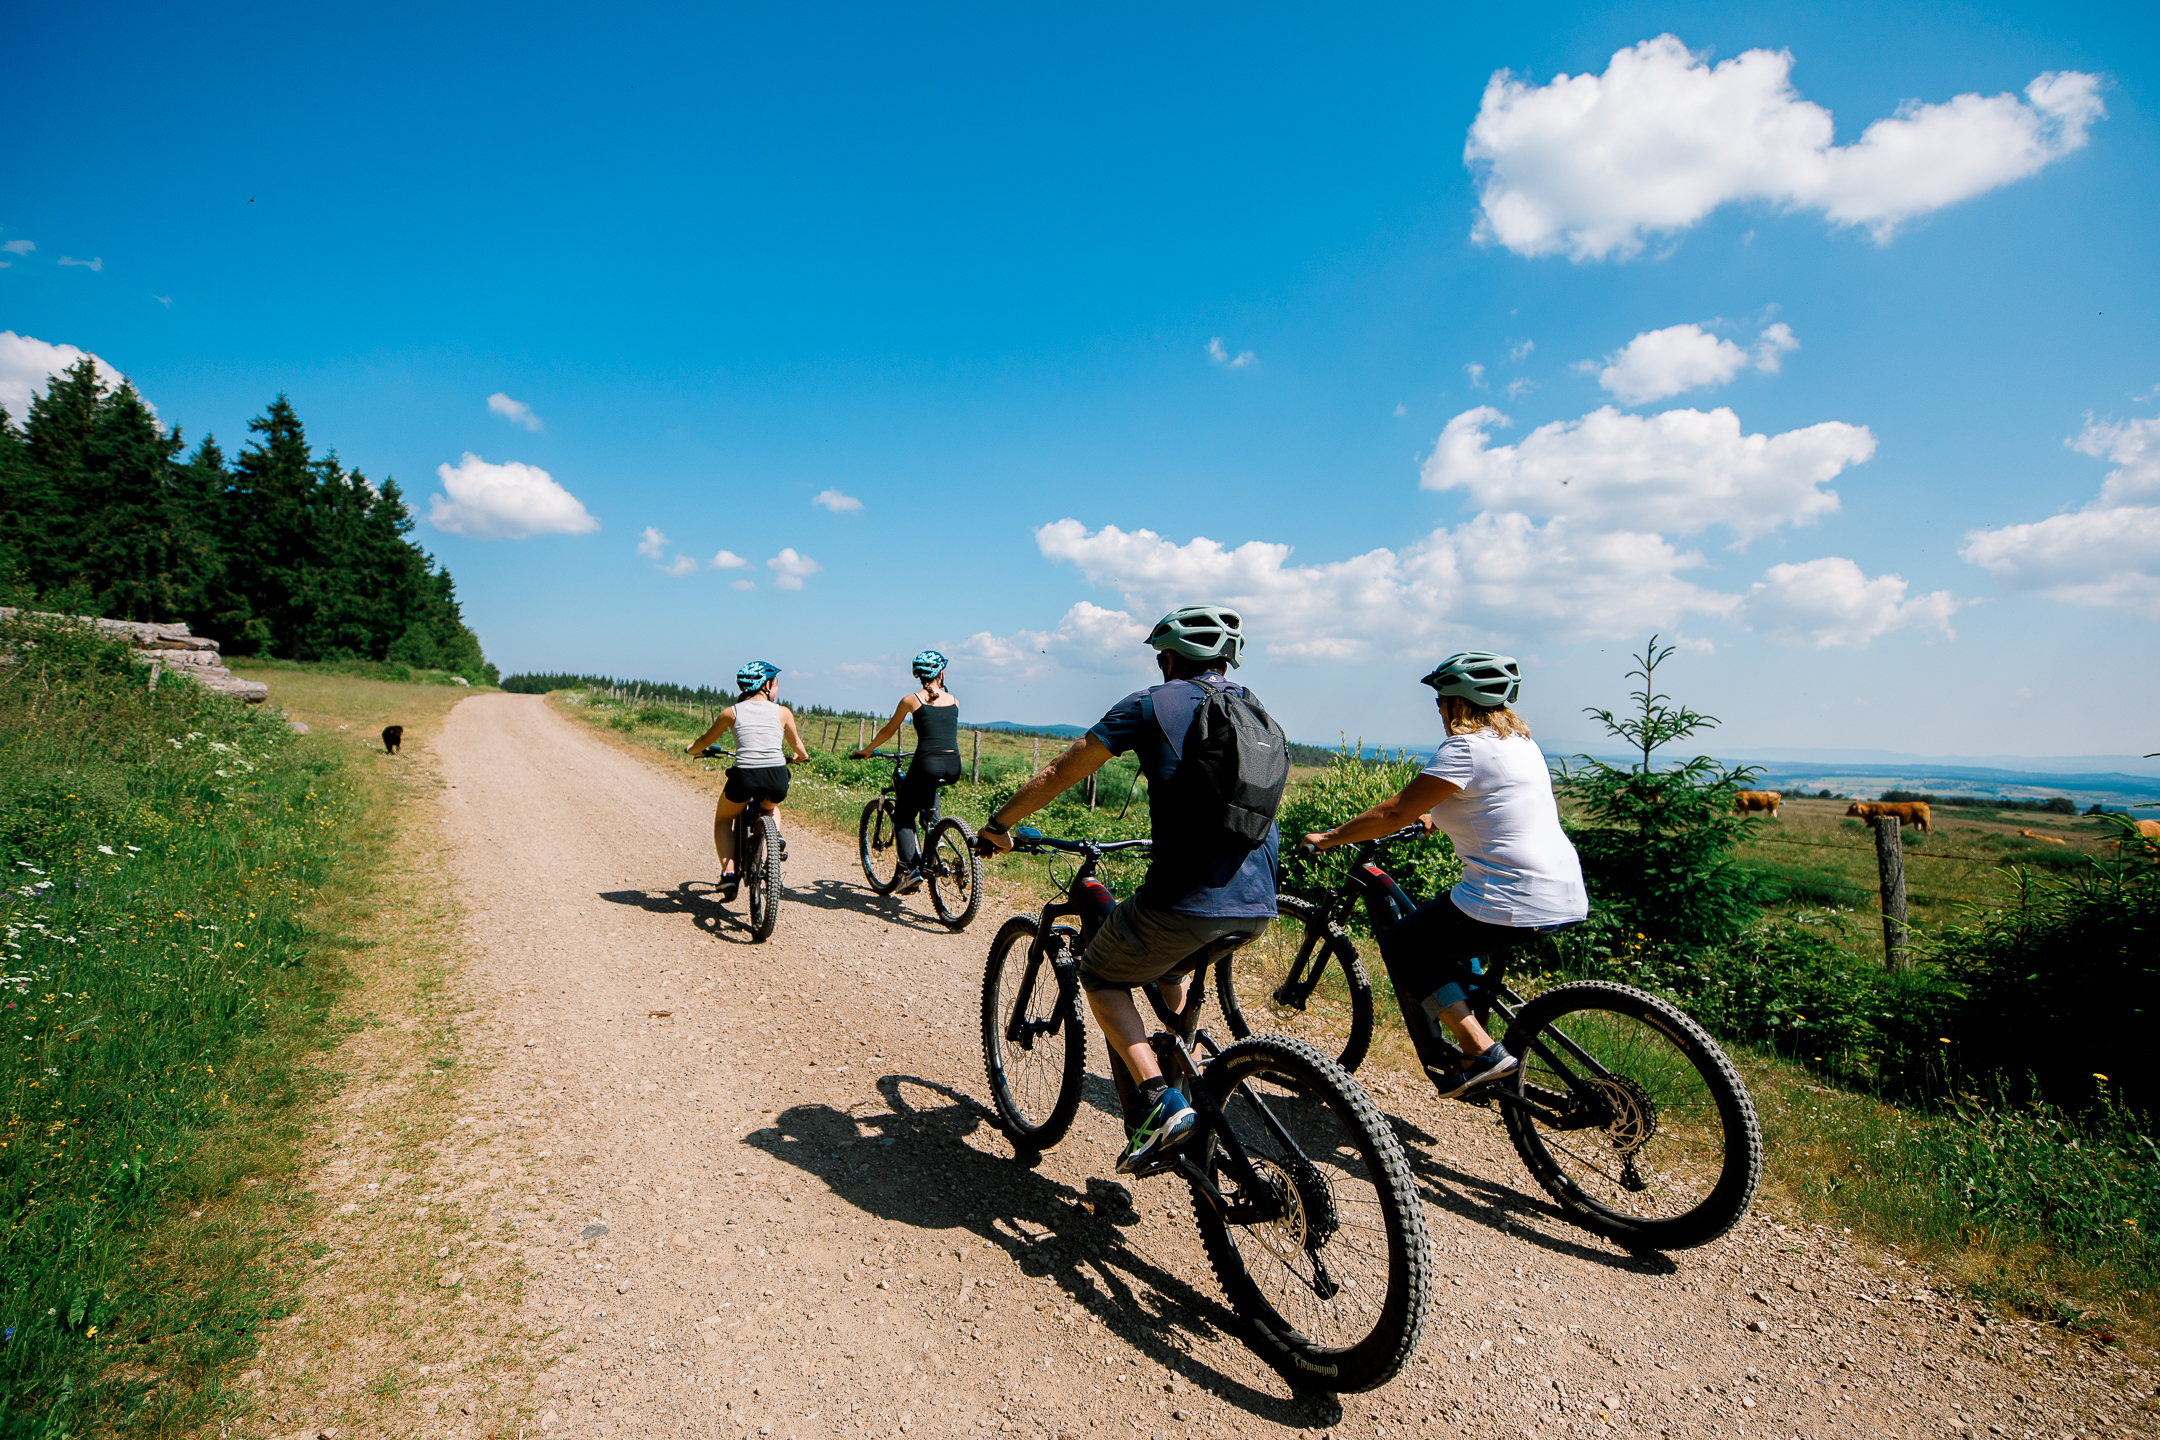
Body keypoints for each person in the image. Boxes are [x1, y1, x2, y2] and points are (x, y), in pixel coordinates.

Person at [979, 605, 1280, 1175]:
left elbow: (1060, 772)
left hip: (1187, 901)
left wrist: (999, 825)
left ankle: (1160, 1101)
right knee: (1166, 964)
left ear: (1168, 658)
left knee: (1099, 971)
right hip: (1258, 900)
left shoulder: (1150, 703)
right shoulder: (1252, 708)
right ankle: (1182, 1066)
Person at [1302, 651, 1587, 1099]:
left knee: (1403, 944)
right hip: (1564, 892)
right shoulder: (1522, 745)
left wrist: (1331, 836)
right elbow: (1495, 800)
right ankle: (1477, 1041)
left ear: (1457, 704)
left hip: (1511, 896)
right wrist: (1434, 816)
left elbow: (1393, 812)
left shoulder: (1465, 748)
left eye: (1439, 703)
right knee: (1449, 929)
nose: (1438, 712)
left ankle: (1480, 1051)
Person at [688, 660, 809, 900]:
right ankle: (775, 838)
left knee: (724, 819)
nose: (777, 688)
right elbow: (797, 745)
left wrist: (693, 749)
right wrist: (801, 757)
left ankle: (729, 873)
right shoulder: (783, 712)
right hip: (776, 777)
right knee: (770, 807)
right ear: (766, 685)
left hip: (744, 777)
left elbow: (704, 739)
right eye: (776, 684)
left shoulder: (731, 712)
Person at [850, 650, 963, 894]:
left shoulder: (911, 700)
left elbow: (889, 730)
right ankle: (935, 835)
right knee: (928, 790)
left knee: (902, 813)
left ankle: (910, 870)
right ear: (941, 674)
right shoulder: (954, 700)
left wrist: (868, 750)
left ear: (918, 675)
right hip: (954, 765)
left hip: (926, 763)